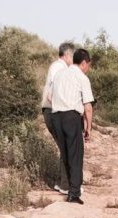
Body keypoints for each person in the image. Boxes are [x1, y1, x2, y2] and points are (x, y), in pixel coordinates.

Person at [50, 49, 95, 205]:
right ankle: (73, 193)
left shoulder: (59, 75)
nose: (88, 68)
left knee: (66, 153)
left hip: (56, 117)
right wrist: (88, 128)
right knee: (75, 155)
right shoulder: (81, 77)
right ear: (84, 63)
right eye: (88, 65)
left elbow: (50, 97)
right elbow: (87, 106)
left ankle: (69, 187)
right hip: (71, 117)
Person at [41, 42, 75, 194]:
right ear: (67, 55)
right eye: (73, 57)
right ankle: (64, 186)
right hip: (53, 111)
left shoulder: (58, 67)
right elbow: (52, 90)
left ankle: (61, 183)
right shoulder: (59, 67)